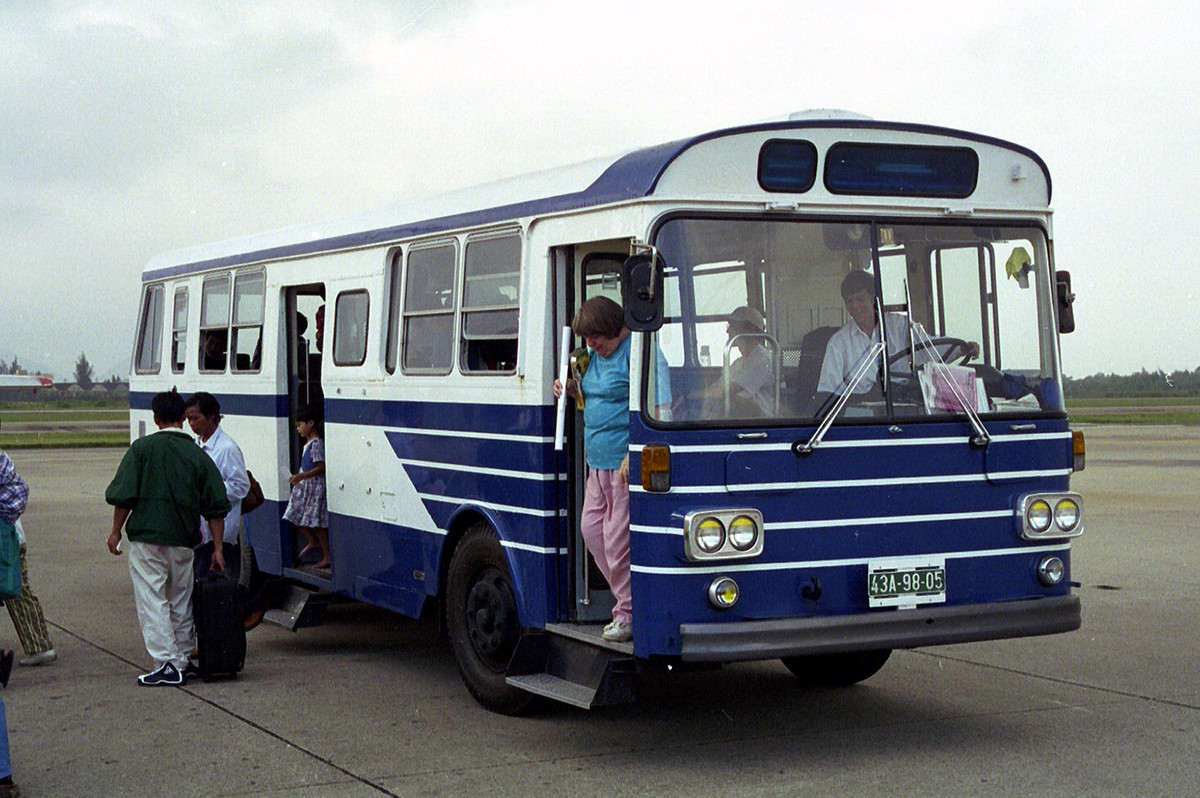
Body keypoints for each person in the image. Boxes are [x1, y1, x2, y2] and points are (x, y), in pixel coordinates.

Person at [554, 296, 670, 643]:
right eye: (587, 339)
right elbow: (592, 399)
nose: (591, 345)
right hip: (597, 464)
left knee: (618, 543)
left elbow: (660, 406)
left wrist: (635, 452)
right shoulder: (593, 359)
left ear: (614, 329)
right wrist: (571, 390)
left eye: (596, 338)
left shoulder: (639, 353)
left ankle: (628, 613)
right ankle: (628, 601)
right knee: (592, 530)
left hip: (624, 465)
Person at [105, 389, 231, 687]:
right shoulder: (198, 455)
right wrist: (218, 548)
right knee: (180, 599)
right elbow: (216, 507)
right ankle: (182, 659)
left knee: (153, 599)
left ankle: (165, 663)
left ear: (156, 418)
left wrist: (115, 532)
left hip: (149, 538)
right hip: (184, 540)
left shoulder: (142, 449)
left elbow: (124, 496)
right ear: (183, 420)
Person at [815, 270, 978, 403]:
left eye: (860, 299)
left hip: (903, 403)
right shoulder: (838, 343)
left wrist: (961, 349)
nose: (855, 306)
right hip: (863, 412)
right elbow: (829, 393)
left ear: (873, 299)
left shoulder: (899, 326)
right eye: (850, 301)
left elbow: (928, 350)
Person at [184, 392, 250, 579]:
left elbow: (240, 486)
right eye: (189, 419)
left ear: (212, 416)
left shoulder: (226, 448)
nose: (192, 424)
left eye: (196, 418)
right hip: (201, 532)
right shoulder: (197, 445)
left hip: (220, 534)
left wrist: (207, 491)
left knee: (209, 583)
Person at [703, 306, 775, 417]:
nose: (727, 331)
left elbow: (727, 391)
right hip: (738, 416)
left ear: (749, 331)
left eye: (732, 326)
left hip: (757, 421)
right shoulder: (738, 363)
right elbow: (717, 387)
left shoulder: (762, 360)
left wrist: (694, 395)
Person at [283, 404, 328, 570]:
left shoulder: (316, 444)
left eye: (300, 425)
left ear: (311, 423)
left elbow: (321, 467)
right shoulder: (308, 442)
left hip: (315, 487)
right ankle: (312, 541)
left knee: (317, 522)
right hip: (305, 487)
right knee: (294, 514)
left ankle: (326, 555)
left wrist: (302, 476)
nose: (298, 429)